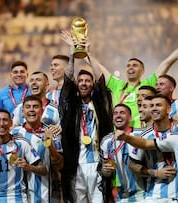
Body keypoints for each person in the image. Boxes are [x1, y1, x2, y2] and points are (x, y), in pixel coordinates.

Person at [84, 27, 178, 128]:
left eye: (135, 65)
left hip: (144, 132)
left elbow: (168, 61)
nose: (130, 68)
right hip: (121, 133)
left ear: (142, 70)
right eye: (128, 66)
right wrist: (82, 52)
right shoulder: (117, 85)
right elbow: (98, 67)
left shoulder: (148, 85)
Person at [59, 36, 114, 202]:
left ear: (92, 84)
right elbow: (68, 80)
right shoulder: (71, 106)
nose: (83, 83)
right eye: (80, 81)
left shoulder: (99, 105)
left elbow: (102, 81)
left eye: (87, 81)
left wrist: (88, 54)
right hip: (76, 165)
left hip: (98, 163)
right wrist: (72, 54)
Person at [11, 95, 63, 202]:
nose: (31, 110)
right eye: (28, 107)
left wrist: (50, 146)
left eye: (35, 107)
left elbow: (59, 164)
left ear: (42, 111)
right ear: (22, 111)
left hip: (44, 193)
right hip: (18, 194)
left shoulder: (52, 132)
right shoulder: (13, 133)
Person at [100, 104, 146, 202]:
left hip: (145, 194)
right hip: (122, 196)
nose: (118, 115)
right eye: (115, 113)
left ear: (130, 118)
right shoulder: (106, 141)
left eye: (122, 113)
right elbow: (106, 173)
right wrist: (105, 170)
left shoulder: (142, 135)